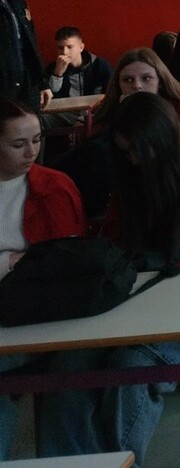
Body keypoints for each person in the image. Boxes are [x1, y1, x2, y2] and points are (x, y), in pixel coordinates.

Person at [36, 92, 180, 466]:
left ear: (163, 140)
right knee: (68, 365)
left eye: (137, 150)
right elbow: (115, 248)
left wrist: (160, 287)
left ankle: (118, 462)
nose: (133, 159)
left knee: (131, 364)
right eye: (125, 152)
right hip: (134, 300)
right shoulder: (130, 179)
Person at [0, 99, 85, 460]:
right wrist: (9, 261)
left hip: (41, 316)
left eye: (36, 140)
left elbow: (61, 266)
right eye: (18, 144)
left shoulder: (54, 187)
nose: (31, 152)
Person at [93, 49, 180, 147]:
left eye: (146, 78)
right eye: (128, 80)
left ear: (160, 81)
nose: (137, 86)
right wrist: (124, 118)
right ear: (118, 85)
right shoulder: (108, 112)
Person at [0, 0, 50, 110]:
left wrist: (41, 82)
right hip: (3, 86)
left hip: (25, 82)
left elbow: (29, 40)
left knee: (32, 124)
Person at [44, 26, 112, 100]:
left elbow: (110, 92)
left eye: (70, 47)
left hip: (94, 106)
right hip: (65, 107)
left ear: (81, 47)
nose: (64, 52)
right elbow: (49, 97)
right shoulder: (51, 68)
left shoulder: (99, 65)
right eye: (60, 48)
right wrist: (57, 75)